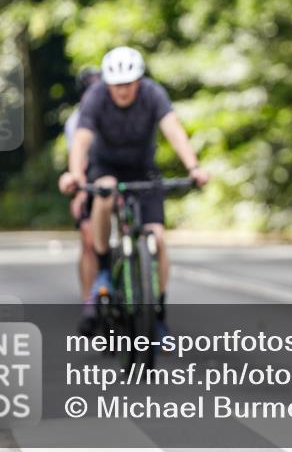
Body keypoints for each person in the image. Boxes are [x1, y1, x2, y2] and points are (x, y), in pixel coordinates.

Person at [59, 47, 208, 340]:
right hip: (106, 166)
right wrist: (75, 175)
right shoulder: (96, 97)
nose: (123, 91)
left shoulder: (153, 94)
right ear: (108, 83)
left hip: (143, 170)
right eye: (117, 85)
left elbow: (173, 129)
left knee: (158, 238)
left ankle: (158, 311)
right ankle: (104, 267)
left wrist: (194, 167)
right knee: (105, 193)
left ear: (138, 80)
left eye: (128, 84)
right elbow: (81, 139)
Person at [58, 67, 102, 335]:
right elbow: (77, 158)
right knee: (88, 240)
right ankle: (89, 304)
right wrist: (80, 192)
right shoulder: (77, 120)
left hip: (116, 177)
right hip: (89, 179)